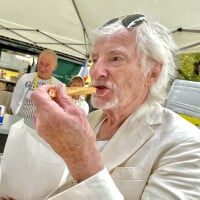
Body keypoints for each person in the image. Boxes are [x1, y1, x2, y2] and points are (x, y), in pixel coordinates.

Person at [3, 14, 200, 199]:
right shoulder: (88, 120)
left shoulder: (187, 145)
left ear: (152, 72)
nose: (96, 71)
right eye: (94, 59)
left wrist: (80, 154)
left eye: (115, 58)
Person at [10, 49, 62, 118]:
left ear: (55, 67)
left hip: (43, 126)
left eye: (47, 65)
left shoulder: (58, 86)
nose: (42, 68)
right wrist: (16, 118)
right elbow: (15, 101)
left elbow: (59, 110)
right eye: (41, 63)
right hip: (22, 122)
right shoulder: (25, 78)